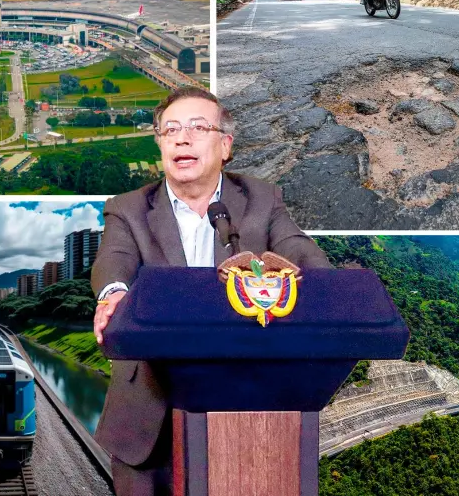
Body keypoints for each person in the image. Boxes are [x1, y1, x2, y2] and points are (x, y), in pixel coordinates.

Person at [91, 86, 333, 496]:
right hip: (150, 407)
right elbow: (113, 261)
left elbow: (296, 247)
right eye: (170, 131)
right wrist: (113, 293)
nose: (181, 139)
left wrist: (328, 287)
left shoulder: (260, 197)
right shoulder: (128, 207)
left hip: (247, 403)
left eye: (197, 128)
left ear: (225, 145)